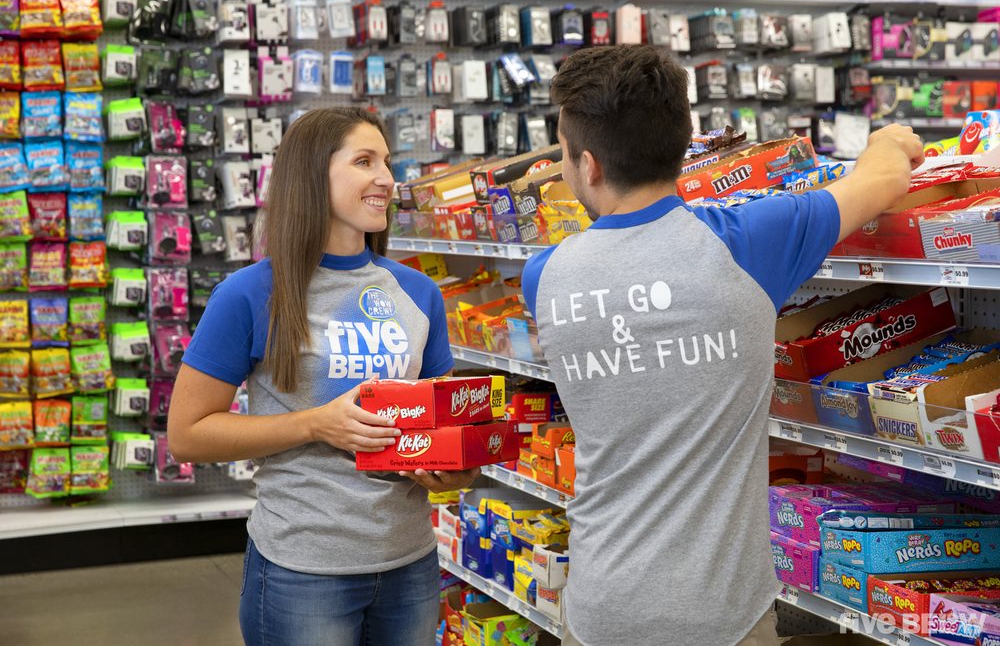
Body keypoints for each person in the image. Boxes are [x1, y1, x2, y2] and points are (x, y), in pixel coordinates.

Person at [520, 45, 924, 646]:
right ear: (682, 144)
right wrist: (890, 138)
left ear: (588, 165)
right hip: (725, 617)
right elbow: (885, 177)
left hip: (599, 606)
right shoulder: (750, 244)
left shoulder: (543, 278)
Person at [168, 107, 478, 646]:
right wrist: (316, 424)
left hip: (410, 561)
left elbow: (439, 423)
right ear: (313, 174)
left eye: (387, 162)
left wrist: (453, 470)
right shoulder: (249, 294)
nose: (386, 178)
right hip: (302, 570)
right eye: (364, 162)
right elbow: (187, 435)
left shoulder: (418, 292)